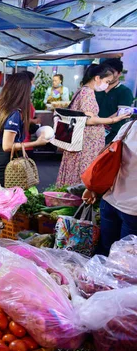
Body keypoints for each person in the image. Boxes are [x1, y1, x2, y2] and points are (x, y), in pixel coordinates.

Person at [57, 64, 131, 187]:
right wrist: (114, 120)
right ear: (97, 78)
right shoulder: (88, 93)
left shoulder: (82, 90)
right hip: (85, 144)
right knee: (82, 175)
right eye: (106, 81)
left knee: (75, 172)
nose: (107, 85)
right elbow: (89, 120)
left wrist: (113, 117)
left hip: (81, 142)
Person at [0, 73, 50, 186]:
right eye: (31, 85)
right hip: (6, 164)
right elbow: (7, 146)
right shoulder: (14, 113)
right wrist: (36, 142)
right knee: (11, 200)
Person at [83, 120, 137, 256]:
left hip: (110, 201)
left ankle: (97, 277)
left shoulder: (130, 126)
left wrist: (92, 187)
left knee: (105, 253)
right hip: (132, 210)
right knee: (124, 262)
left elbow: (109, 159)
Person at [96, 58, 135, 144]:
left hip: (112, 135)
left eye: (112, 72)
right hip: (94, 132)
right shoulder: (97, 89)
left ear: (119, 74)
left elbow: (121, 112)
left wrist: (102, 122)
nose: (108, 75)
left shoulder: (124, 91)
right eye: (105, 72)